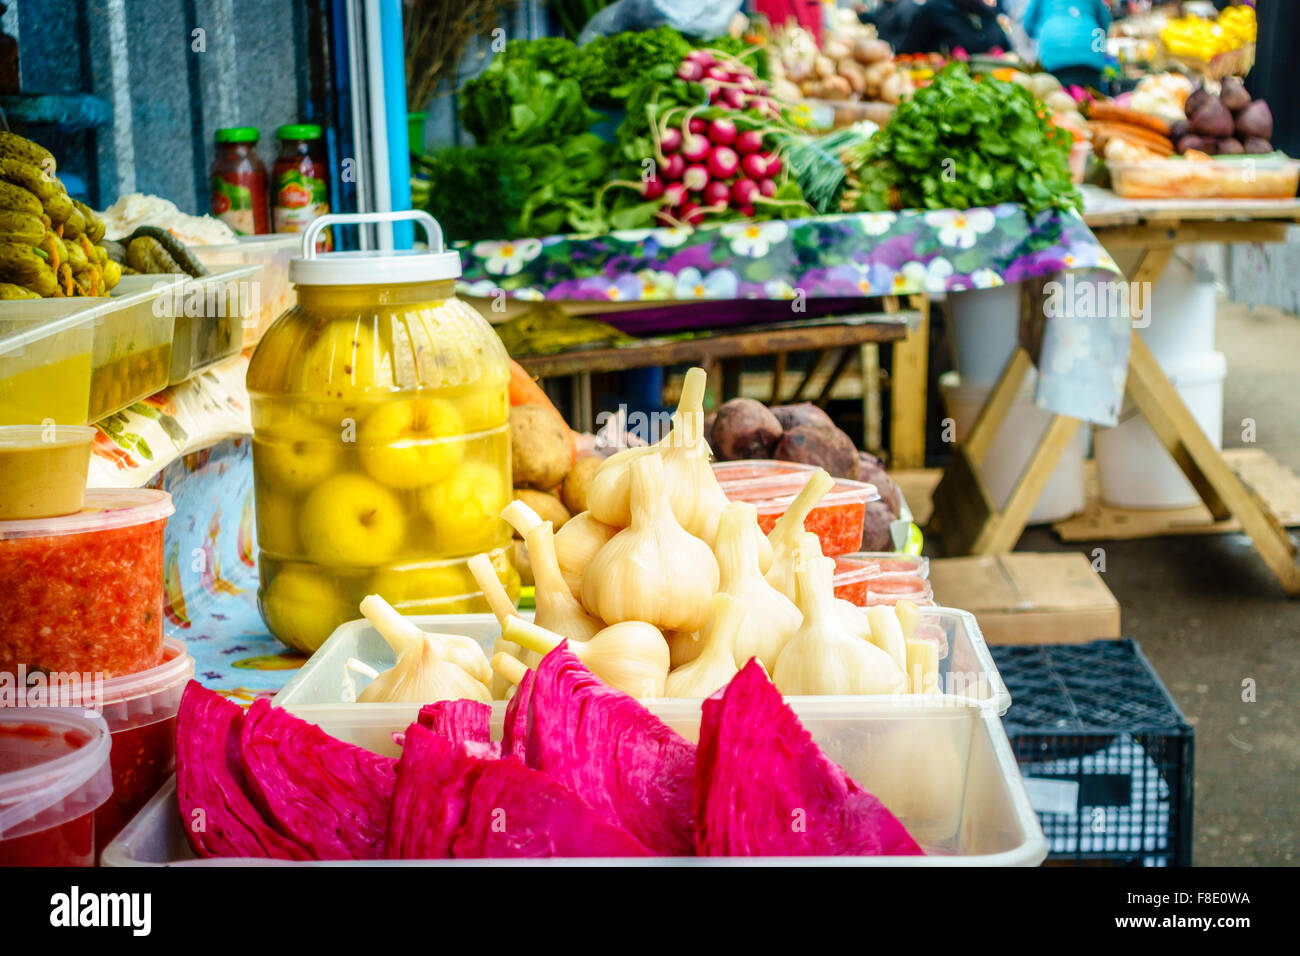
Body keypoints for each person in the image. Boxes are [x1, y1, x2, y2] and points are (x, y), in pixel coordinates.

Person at [1023, 0, 1112, 91]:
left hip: (1054, 51)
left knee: (1057, 99)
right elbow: (1105, 21)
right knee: (1092, 98)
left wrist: (1042, 31)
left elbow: (1028, 24)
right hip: (1089, 51)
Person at [898, 0, 1010, 57]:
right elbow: (906, 54)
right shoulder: (934, 10)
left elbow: (1008, 51)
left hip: (990, 91)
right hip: (946, 92)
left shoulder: (987, 13)